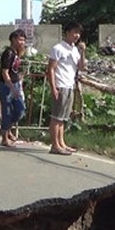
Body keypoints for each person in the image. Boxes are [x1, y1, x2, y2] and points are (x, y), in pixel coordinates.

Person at [46, 22, 86, 155]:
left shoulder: (75, 49)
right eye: (74, 32)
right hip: (60, 85)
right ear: (67, 32)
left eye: (79, 33)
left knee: (63, 117)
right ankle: (54, 145)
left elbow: (81, 67)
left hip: (70, 85)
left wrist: (82, 51)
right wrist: (53, 88)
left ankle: (61, 143)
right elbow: (51, 69)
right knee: (56, 117)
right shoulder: (58, 48)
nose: (77, 35)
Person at [0, 29, 27, 147]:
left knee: (20, 110)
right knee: (7, 111)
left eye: (24, 40)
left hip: (15, 84)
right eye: (20, 39)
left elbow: (13, 70)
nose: (22, 42)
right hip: (6, 85)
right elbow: (5, 72)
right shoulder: (9, 53)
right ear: (13, 40)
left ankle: (8, 129)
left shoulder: (16, 53)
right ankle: (4, 137)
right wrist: (11, 87)